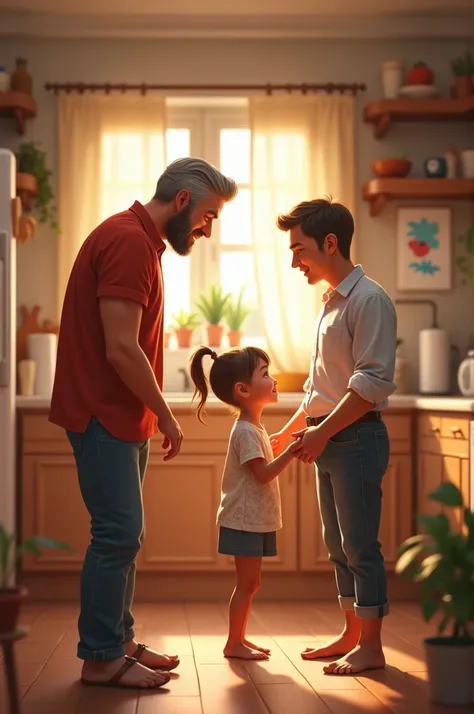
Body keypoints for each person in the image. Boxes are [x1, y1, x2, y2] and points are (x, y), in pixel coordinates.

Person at [49, 158, 237, 690]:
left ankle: (120, 640)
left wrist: (151, 413)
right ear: (181, 202)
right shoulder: (130, 243)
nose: (207, 227)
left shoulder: (138, 241)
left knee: (125, 535)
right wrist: (169, 416)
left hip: (120, 416)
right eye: (208, 215)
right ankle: (101, 657)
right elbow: (121, 350)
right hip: (102, 413)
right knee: (117, 534)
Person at [270, 198, 397, 676]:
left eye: (299, 249)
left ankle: (373, 646)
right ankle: (352, 633)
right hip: (329, 437)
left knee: (361, 544)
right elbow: (319, 385)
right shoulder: (330, 301)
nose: (294, 261)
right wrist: (289, 432)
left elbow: (369, 386)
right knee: (338, 543)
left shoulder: (369, 301)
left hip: (356, 439)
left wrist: (321, 433)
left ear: (329, 243)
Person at [189, 346, 297, 660]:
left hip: (251, 520)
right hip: (243, 521)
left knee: (251, 583)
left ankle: (239, 639)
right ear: (243, 389)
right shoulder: (247, 432)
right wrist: (290, 451)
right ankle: (234, 643)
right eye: (265, 374)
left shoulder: (254, 429)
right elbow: (262, 475)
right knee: (247, 584)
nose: (274, 379)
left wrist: (278, 444)